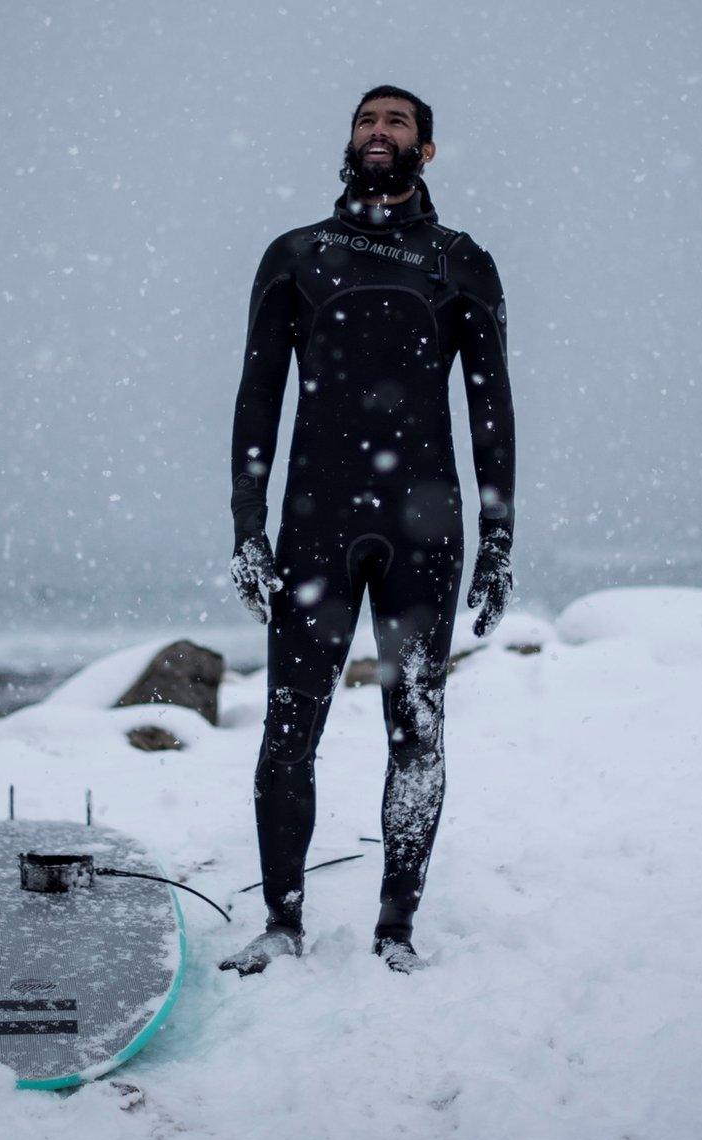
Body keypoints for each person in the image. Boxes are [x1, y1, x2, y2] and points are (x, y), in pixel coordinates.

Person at [221, 85, 516, 975]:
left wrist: (499, 539)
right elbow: (256, 398)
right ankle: (282, 921)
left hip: (425, 529)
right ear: (349, 140)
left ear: (425, 152)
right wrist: (246, 523)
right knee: (288, 726)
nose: (377, 132)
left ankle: (397, 930)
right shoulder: (298, 255)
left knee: (417, 729)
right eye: (365, 119)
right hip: (315, 525)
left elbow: (492, 410)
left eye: (397, 123)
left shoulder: (460, 262)